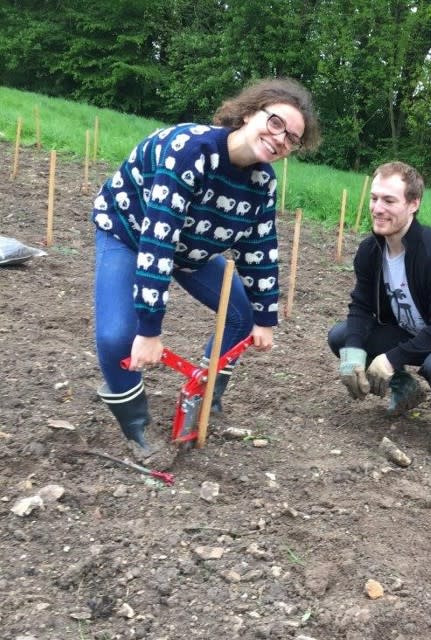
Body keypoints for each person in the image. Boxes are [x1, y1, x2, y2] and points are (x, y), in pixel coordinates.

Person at [92, 77, 321, 461]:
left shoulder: (262, 182)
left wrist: (265, 316)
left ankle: (204, 393)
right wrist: (149, 329)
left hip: (191, 248)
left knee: (241, 317)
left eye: (292, 139)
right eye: (276, 123)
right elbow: (158, 238)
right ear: (249, 113)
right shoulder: (191, 151)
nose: (281, 139)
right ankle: (138, 428)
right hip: (131, 232)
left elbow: (259, 247)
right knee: (118, 336)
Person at [328, 161, 431, 457]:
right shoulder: (370, 251)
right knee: (342, 336)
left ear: (413, 204)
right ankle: (405, 390)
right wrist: (352, 352)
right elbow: (361, 306)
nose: (378, 208)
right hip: (409, 332)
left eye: (389, 200)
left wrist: (391, 359)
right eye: (374, 198)